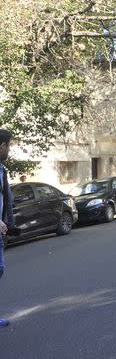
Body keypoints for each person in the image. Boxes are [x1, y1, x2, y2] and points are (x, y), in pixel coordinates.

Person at [0, 129, 15, 328]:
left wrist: (10, 222)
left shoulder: (2, 170)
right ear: (2, 146)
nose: (9, 150)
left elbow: (7, 198)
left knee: (0, 269)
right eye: (9, 146)